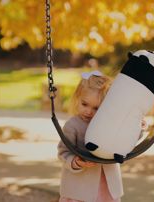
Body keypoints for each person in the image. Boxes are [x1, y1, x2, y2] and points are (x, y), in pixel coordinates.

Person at [57, 70, 124, 202]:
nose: (88, 111)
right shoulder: (73, 125)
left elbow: (125, 140)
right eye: (84, 104)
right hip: (80, 186)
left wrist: (138, 126)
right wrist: (75, 161)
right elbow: (63, 152)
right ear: (77, 98)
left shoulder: (109, 125)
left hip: (106, 187)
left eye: (96, 108)